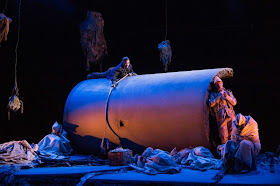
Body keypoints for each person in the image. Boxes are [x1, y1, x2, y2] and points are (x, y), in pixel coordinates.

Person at [208, 76, 237, 144]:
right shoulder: (213, 94)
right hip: (221, 116)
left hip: (230, 114)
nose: (218, 85)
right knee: (223, 135)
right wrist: (218, 97)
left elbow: (234, 102)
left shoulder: (228, 92)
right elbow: (210, 104)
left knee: (233, 133)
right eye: (216, 84)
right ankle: (225, 151)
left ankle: (234, 150)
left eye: (219, 83)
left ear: (222, 83)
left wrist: (227, 97)